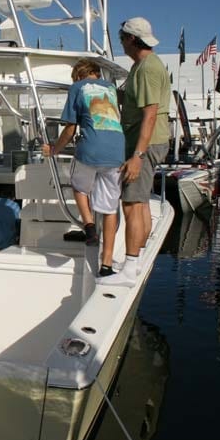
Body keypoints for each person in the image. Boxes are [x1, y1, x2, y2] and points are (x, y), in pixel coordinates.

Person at [100, 17, 170, 287]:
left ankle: (129, 270)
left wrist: (137, 156)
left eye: (121, 38)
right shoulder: (143, 67)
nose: (121, 42)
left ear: (131, 39)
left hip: (146, 144)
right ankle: (136, 261)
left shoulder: (146, 69)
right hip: (147, 142)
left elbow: (150, 113)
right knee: (139, 203)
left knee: (131, 204)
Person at [42, 58, 124, 276]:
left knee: (79, 186)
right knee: (109, 209)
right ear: (97, 74)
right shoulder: (111, 89)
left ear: (79, 75)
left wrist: (54, 149)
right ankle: (106, 265)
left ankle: (88, 227)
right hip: (117, 153)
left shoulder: (77, 88)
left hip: (90, 151)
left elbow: (70, 129)